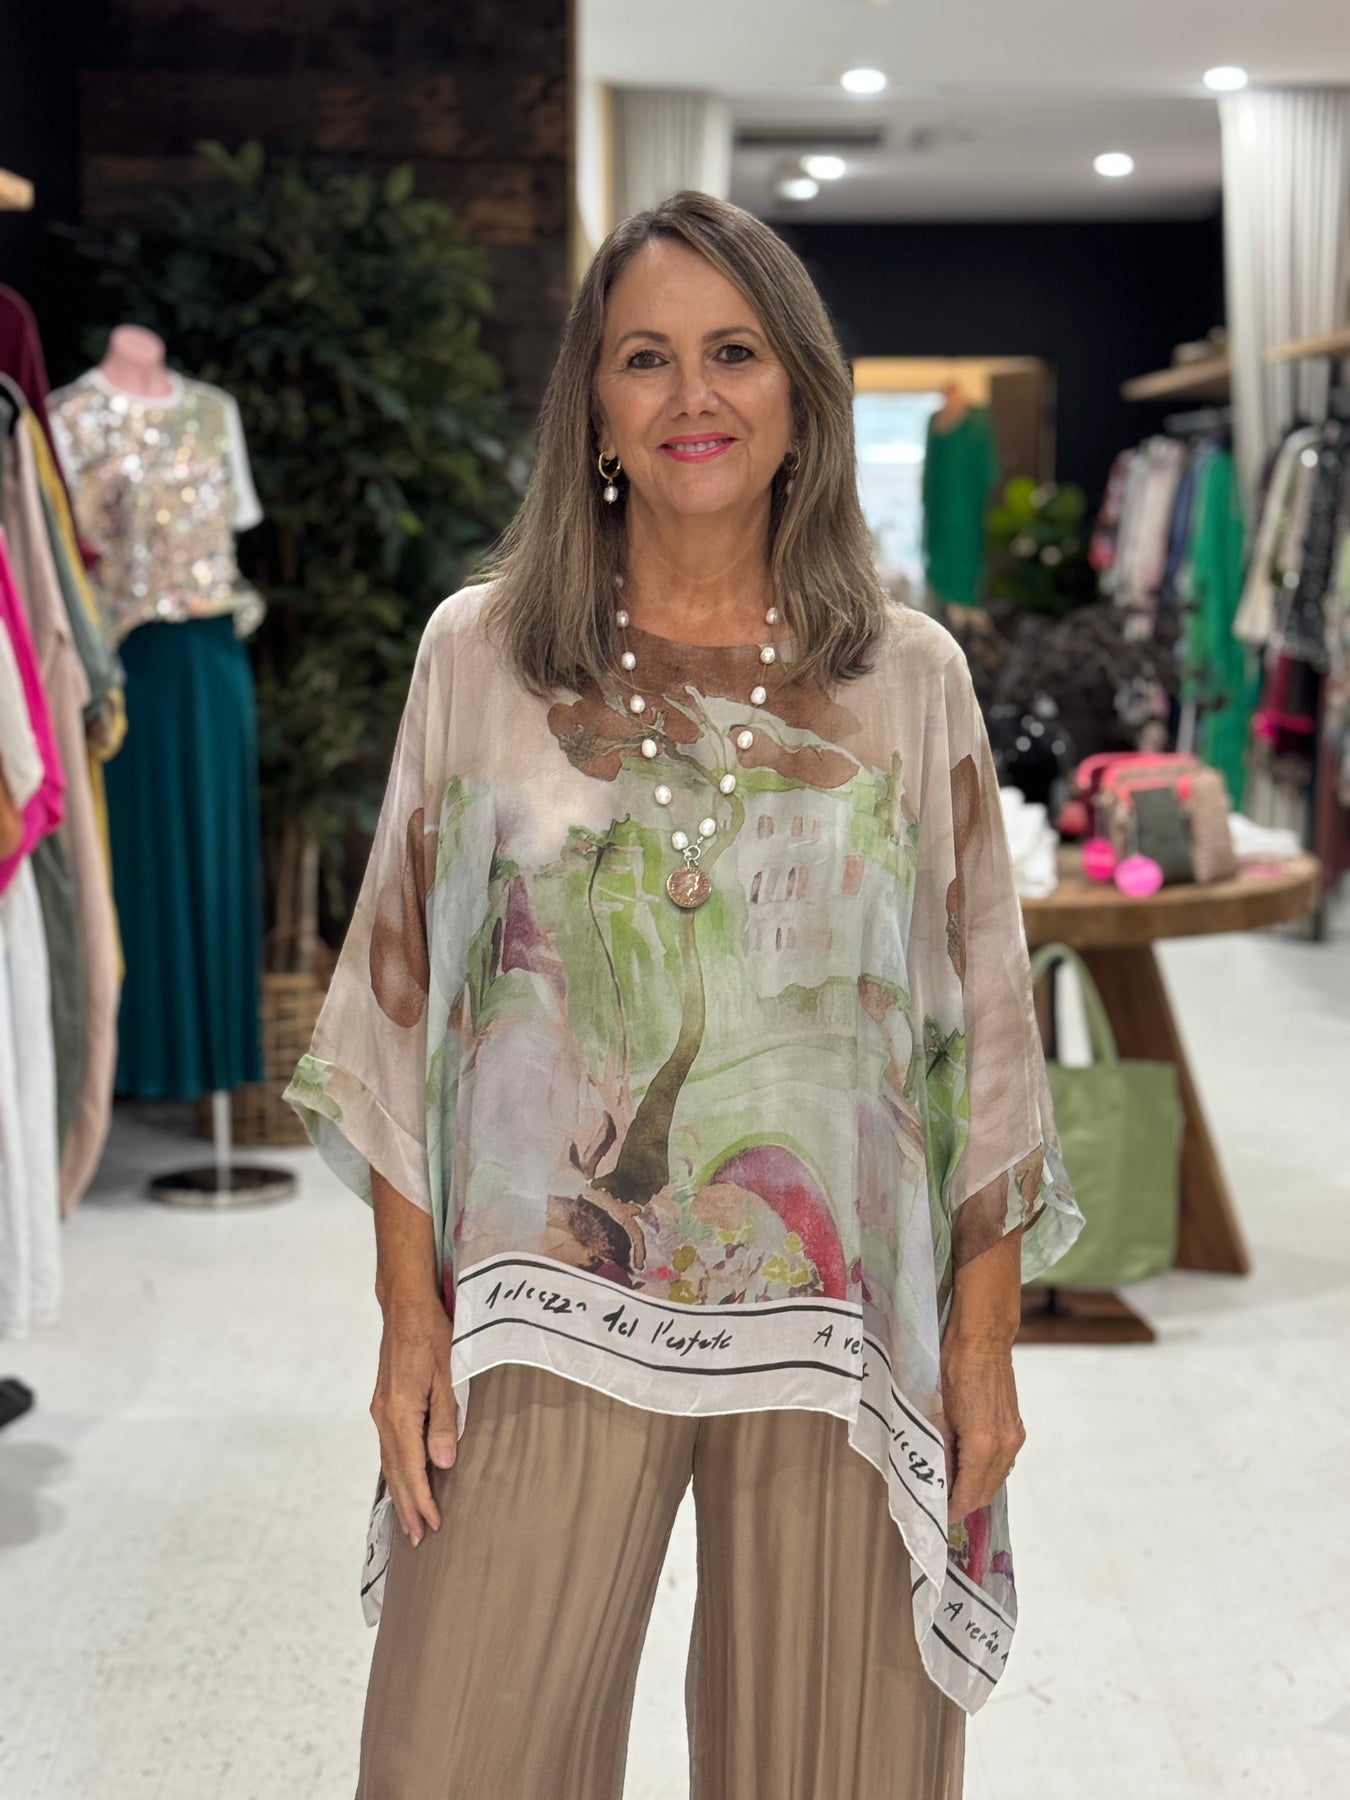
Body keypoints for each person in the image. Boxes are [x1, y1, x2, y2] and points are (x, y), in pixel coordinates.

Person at [285, 189, 1082, 1800]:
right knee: (456, 1757)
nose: (691, 396)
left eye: (734, 352)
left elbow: (982, 1040)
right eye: (644, 358)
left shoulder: (905, 676)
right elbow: (398, 1006)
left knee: (837, 1773)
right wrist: (405, 1317)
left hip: (841, 1329)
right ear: (592, 406)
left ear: (799, 395)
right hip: (544, 1297)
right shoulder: (478, 656)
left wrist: (983, 1343)